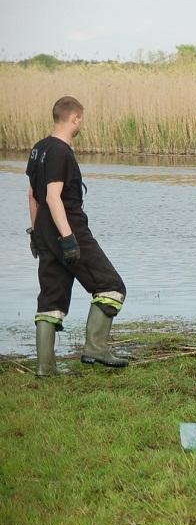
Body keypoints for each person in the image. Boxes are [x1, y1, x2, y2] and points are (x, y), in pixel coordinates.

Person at [26, 96, 128, 376]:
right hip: (67, 227)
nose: (82, 123)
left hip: (44, 230)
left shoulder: (39, 149)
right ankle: (95, 348)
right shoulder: (59, 151)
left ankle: (45, 367)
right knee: (111, 287)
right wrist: (69, 238)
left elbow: (33, 196)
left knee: (51, 297)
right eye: (81, 119)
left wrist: (35, 233)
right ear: (75, 118)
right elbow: (52, 197)